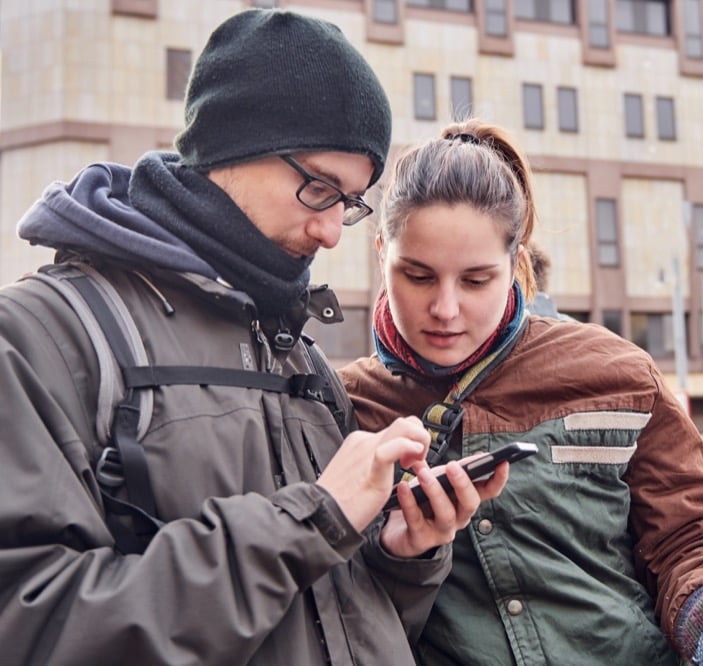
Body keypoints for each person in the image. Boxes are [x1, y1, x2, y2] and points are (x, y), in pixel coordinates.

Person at [0, 10, 506, 665]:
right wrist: (315, 518)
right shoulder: (44, 337)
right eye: (318, 188)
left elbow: (339, 620)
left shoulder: (302, 354)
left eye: (348, 204)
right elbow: (33, 627)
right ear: (227, 148)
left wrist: (401, 555)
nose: (329, 233)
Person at [338, 119, 703, 666]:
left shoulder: (617, 371)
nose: (446, 309)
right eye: (418, 276)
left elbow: (689, 537)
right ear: (381, 254)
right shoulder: (345, 404)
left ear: (517, 264)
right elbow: (339, 606)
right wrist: (401, 555)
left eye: (476, 280)